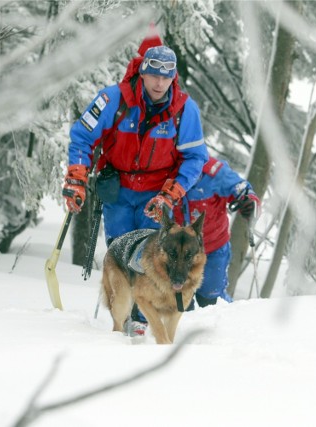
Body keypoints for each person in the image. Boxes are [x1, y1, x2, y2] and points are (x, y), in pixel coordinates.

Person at [63, 31, 209, 245]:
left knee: (148, 261)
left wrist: (171, 194)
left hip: (157, 194)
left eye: (165, 78)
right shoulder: (112, 99)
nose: (159, 84)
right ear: (142, 73)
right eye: (154, 76)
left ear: (173, 77)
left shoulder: (185, 110)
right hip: (118, 190)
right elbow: (82, 137)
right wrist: (76, 178)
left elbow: (195, 158)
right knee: (118, 253)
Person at [129, 156, 261, 334]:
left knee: (211, 297)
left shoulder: (215, 172)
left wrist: (249, 202)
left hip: (212, 247)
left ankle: (231, 326)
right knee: (161, 288)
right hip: (172, 247)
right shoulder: (163, 167)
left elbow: (242, 189)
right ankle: (141, 321)